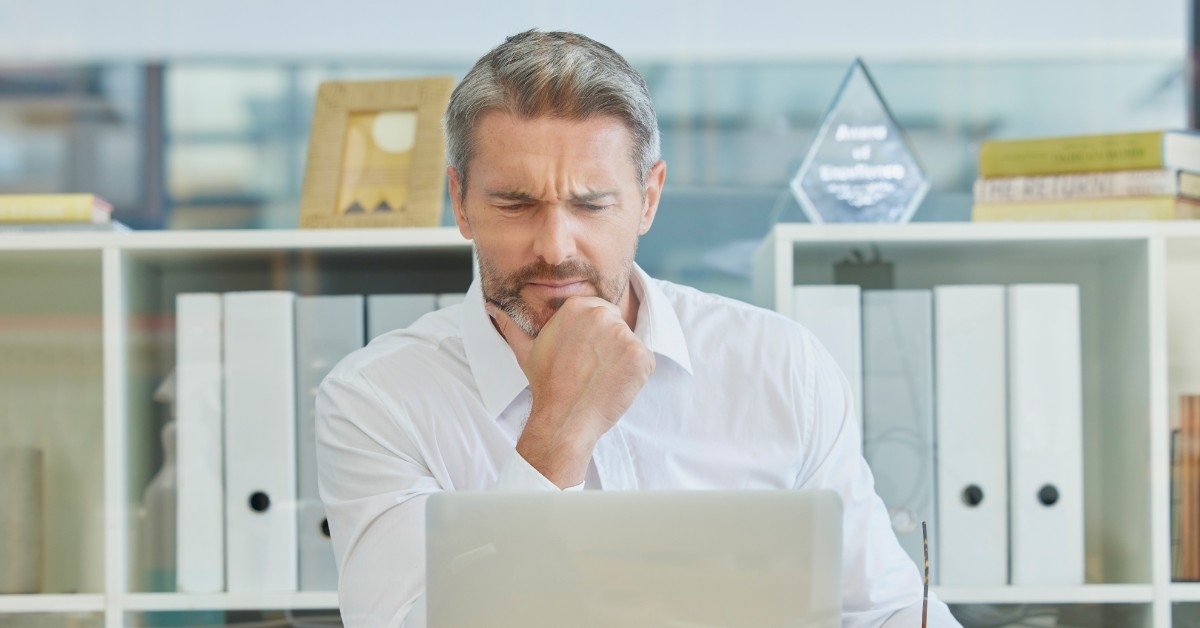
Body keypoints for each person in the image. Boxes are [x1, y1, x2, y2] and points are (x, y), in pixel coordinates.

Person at [316, 29, 961, 628]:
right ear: (460, 202)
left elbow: (885, 609)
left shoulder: (781, 365)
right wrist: (557, 432)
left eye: (592, 204)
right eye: (515, 204)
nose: (555, 246)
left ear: (648, 198)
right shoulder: (378, 399)